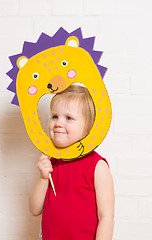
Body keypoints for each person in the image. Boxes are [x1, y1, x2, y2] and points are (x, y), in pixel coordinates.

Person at [29, 84, 114, 240]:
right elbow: (34, 209)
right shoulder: (52, 163)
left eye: (68, 118)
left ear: (89, 128)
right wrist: (43, 178)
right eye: (55, 116)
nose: (58, 123)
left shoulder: (97, 166)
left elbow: (106, 217)